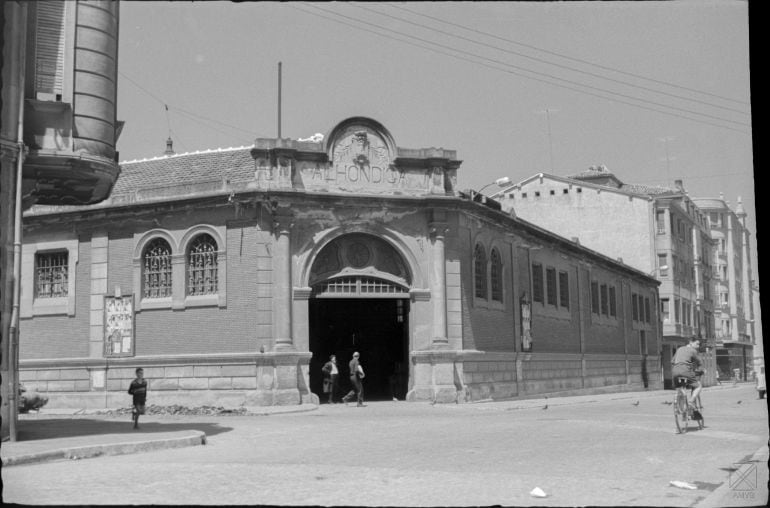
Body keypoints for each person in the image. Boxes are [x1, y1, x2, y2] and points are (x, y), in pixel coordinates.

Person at [671, 337, 703, 405]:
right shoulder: (693, 351)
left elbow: (672, 361)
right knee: (698, 386)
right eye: (697, 344)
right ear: (691, 342)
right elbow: (700, 363)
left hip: (675, 371)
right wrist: (701, 370)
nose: (698, 346)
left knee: (679, 386)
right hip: (685, 371)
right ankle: (691, 401)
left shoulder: (679, 349)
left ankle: (678, 399)